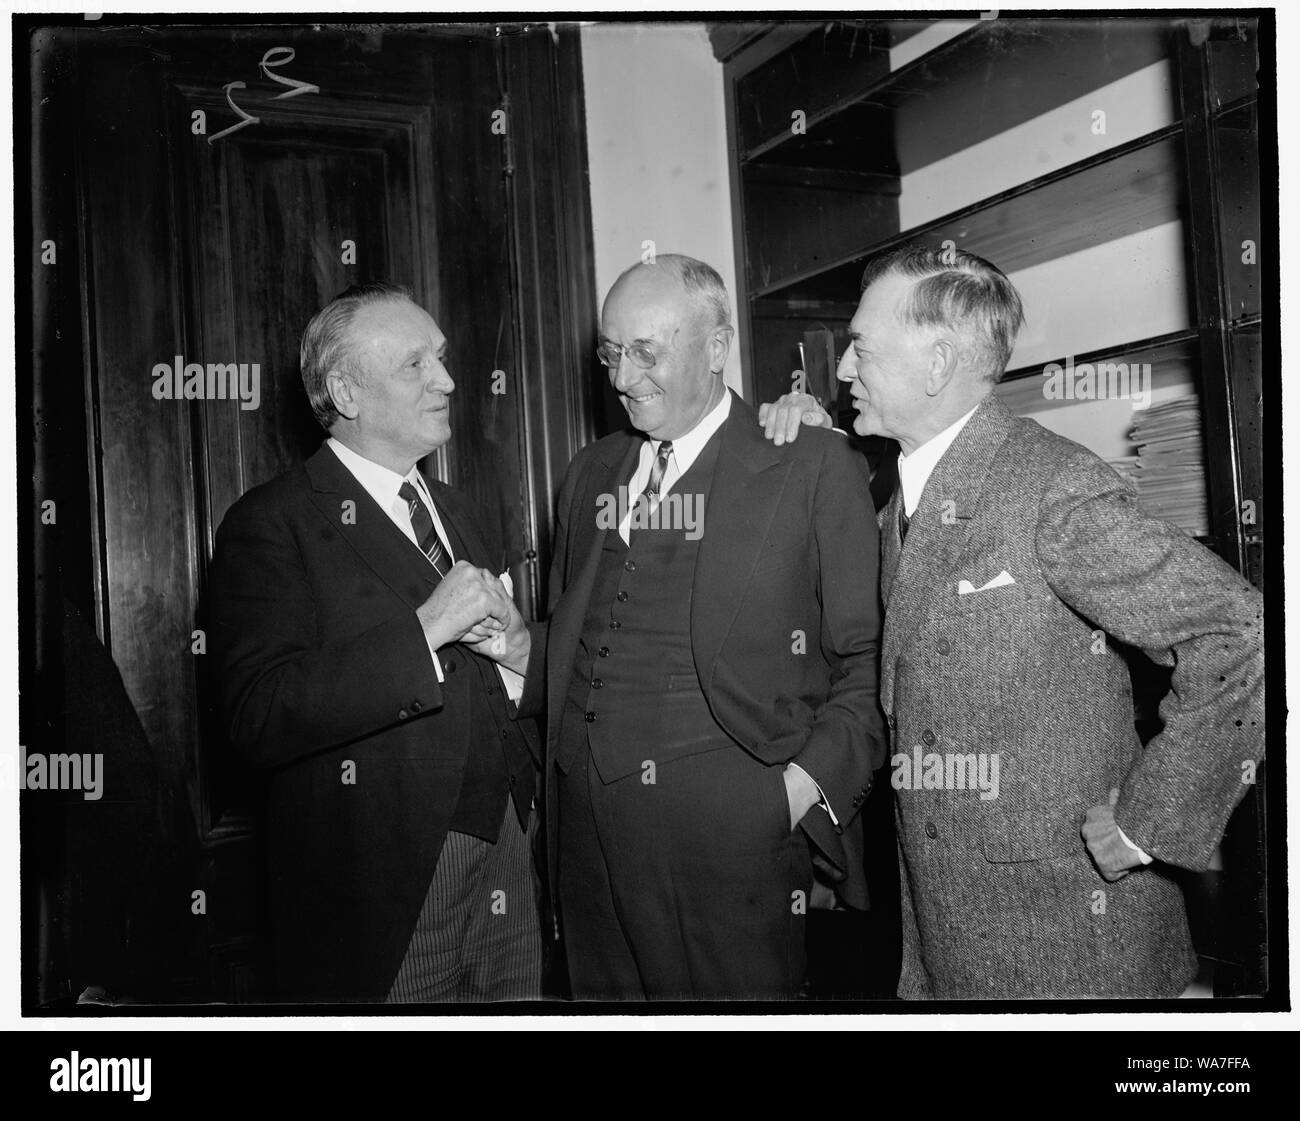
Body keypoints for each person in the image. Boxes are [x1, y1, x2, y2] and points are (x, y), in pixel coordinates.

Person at [759, 246, 1265, 998]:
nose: (840, 371)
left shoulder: (1050, 488)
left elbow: (1243, 632)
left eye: (861, 349)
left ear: (936, 365)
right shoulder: (900, 494)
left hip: (1072, 953)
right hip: (947, 948)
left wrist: (1148, 820)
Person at [500, 254, 885, 1000]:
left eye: (647, 351)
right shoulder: (589, 474)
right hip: (583, 842)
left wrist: (794, 795)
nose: (621, 377)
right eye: (611, 352)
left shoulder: (811, 463)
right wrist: (516, 645)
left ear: (717, 347)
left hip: (732, 845)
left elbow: (867, 665)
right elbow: (584, 639)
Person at [208, 282, 542, 1003]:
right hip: (385, 882)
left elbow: (501, 674)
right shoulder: (272, 521)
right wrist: (424, 628)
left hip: (511, 849)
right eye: (415, 364)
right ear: (346, 391)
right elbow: (258, 715)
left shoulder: (456, 507)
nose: (448, 380)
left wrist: (518, 651)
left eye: (444, 359)